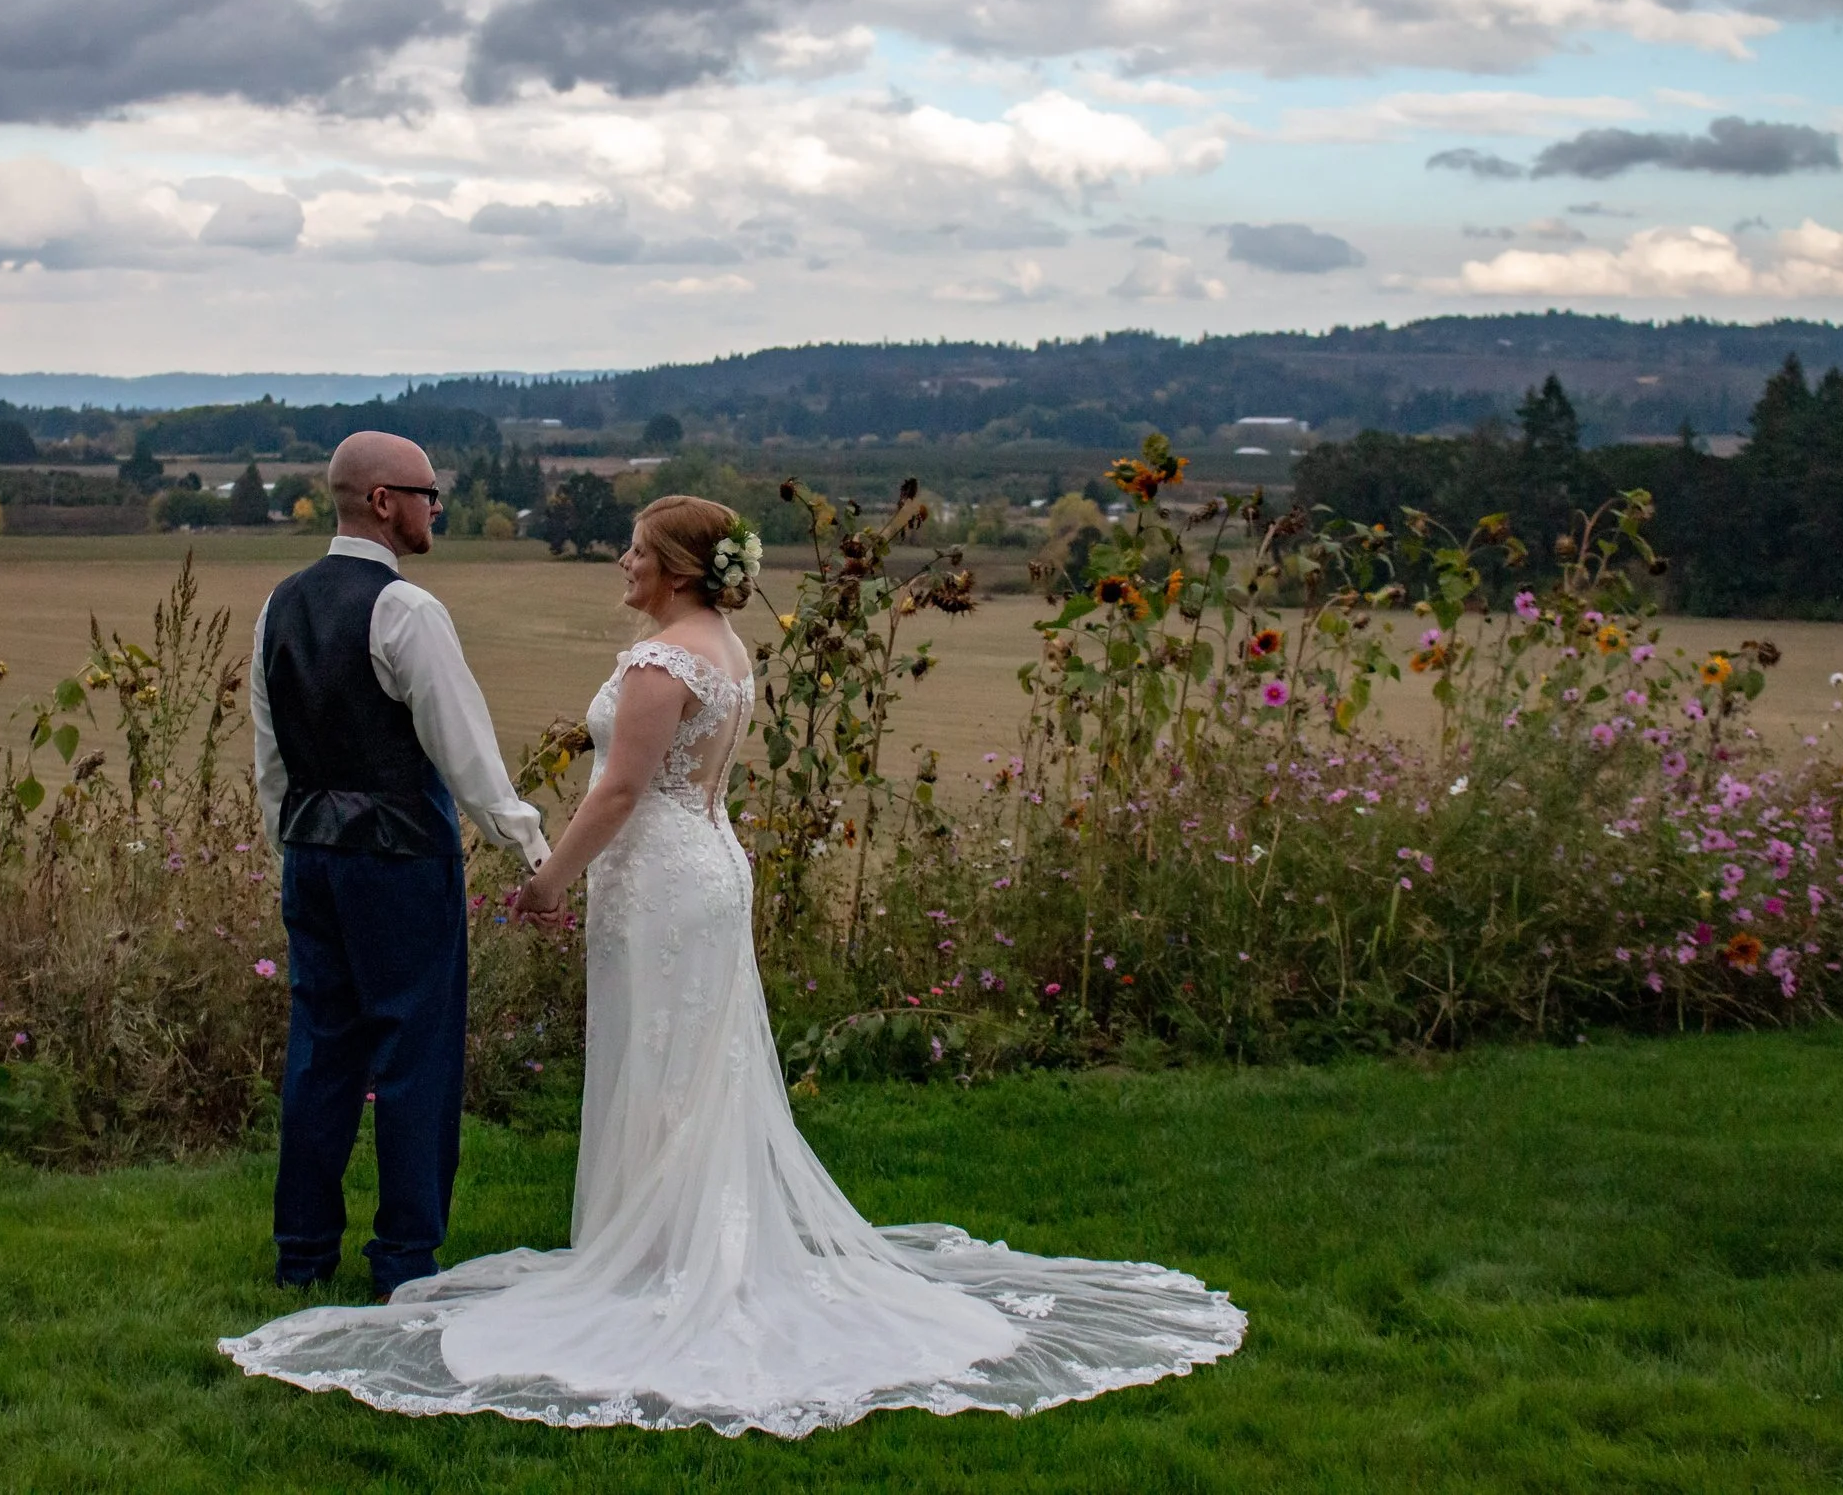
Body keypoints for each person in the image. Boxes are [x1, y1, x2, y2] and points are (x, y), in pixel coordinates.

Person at [224, 495, 1244, 1437]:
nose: (620, 561)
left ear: (672, 568)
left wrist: (546, 879)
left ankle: (670, 1260)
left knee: (664, 1060)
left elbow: (619, 792)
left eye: (634, 549)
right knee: (693, 1062)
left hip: (658, 876)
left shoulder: (662, 663)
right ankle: (674, 1243)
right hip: (703, 864)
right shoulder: (724, 645)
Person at [248, 430, 549, 1300]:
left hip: (312, 854)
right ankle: (405, 1257)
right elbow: (468, 754)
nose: (436, 507)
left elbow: (272, 758)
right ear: (383, 500)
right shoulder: (407, 610)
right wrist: (529, 845)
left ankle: (302, 1251)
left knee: (320, 1052)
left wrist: (291, 848)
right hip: (400, 858)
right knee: (417, 1055)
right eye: (427, 491)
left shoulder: (278, 605)